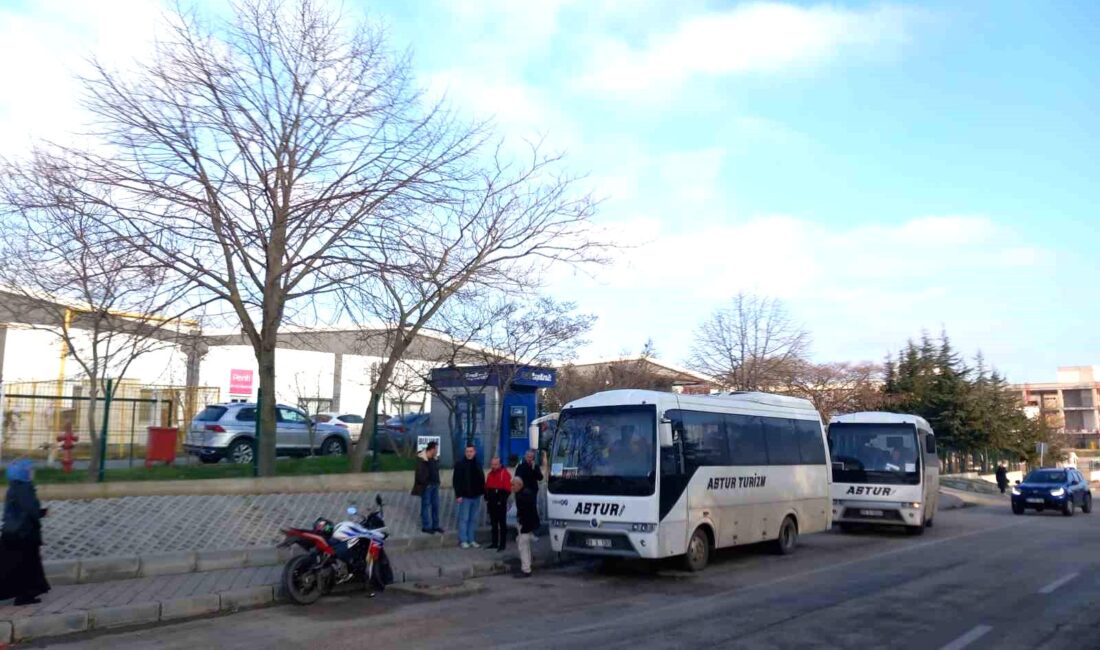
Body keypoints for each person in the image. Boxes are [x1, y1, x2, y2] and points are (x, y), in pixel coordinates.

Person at [1, 459, 50, 605]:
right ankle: (26, 595)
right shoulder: (25, 488)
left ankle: (26, 595)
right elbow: (30, 511)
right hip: (24, 534)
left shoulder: (13, 487)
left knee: (12, 565)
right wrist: (42, 512)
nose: (32, 472)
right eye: (29, 470)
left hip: (11, 533)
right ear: (22, 473)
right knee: (28, 567)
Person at [453, 444, 485, 549]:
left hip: (476, 496)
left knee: (473, 519)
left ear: (474, 452)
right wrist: (458, 495)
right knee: (464, 519)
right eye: (467, 451)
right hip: (465, 496)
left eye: (471, 451)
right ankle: (463, 540)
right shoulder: (460, 464)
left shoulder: (478, 463)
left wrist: (482, 492)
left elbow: (481, 478)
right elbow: (456, 481)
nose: (469, 453)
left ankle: (471, 539)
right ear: (465, 452)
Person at [412, 441, 443, 534]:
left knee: (436, 506)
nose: (437, 451)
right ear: (432, 449)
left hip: (435, 485)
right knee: (426, 506)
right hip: (427, 486)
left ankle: (435, 525)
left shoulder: (434, 458)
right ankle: (426, 526)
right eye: (436, 449)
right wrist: (426, 483)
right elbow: (419, 474)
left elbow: (436, 470)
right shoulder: (422, 459)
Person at [512, 477, 540, 578]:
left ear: (519, 485)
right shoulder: (524, 493)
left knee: (522, 546)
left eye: (513, 485)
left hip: (526, 524)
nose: (512, 487)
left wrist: (525, 528)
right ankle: (528, 565)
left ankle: (526, 569)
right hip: (526, 524)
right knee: (524, 544)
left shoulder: (523, 496)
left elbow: (527, 513)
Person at [484, 456, 512, 552]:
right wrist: (486, 498)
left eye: (495, 464)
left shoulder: (504, 474)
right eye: (492, 464)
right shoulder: (490, 474)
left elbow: (508, 490)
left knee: (502, 524)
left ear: (500, 464)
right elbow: (487, 487)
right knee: (494, 524)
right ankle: (494, 543)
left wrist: (501, 501)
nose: (493, 466)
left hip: (500, 503)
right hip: (492, 503)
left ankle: (502, 544)